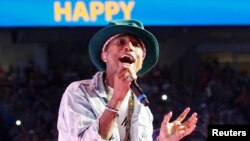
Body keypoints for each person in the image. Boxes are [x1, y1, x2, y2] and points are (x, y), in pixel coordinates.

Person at [57, 19, 198, 141]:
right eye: (121, 42)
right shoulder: (79, 92)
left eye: (136, 45)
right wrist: (116, 99)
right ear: (104, 55)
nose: (129, 47)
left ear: (141, 62)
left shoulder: (142, 108)